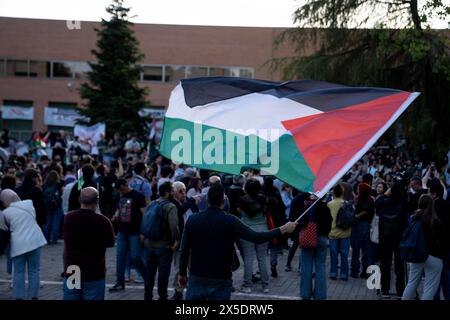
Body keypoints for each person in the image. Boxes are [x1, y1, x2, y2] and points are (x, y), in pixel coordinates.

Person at [178, 184, 297, 300]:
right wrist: (282, 229)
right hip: (221, 278)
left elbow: (184, 250)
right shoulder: (231, 220)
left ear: (207, 200)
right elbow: (257, 237)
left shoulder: (192, 220)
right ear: (223, 200)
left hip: (197, 278)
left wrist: (182, 273)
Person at [63, 187, 115, 300]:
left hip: (73, 270)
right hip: (94, 270)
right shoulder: (103, 221)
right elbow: (111, 243)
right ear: (97, 201)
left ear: (79, 199)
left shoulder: (69, 218)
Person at [0, 189, 47, 300]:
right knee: (34, 270)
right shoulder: (29, 205)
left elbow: (4, 229)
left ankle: (18, 296)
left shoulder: (5, 213)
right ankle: (33, 296)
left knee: (18, 272)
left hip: (18, 244)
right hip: (35, 241)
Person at [402, 194, 446, 300]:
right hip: (433, 256)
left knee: (411, 283)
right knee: (429, 288)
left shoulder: (413, 218)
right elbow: (440, 242)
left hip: (417, 254)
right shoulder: (435, 221)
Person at [143, 181, 180, 300]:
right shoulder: (170, 206)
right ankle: (162, 296)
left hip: (150, 244)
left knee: (150, 273)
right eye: (172, 190)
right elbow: (173, 225)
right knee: (163, 274)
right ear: (167, 193)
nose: (174, 192)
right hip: (164, 245)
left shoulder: (153, 203)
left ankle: (147, 295)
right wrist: (176, 240)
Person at [109, 178, 147, 292]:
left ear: (126, 185)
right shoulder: (120, 195)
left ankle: (147, 277)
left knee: (136, 256)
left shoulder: (138, 196)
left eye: (122, 189)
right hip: (122, 231)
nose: (121, 192)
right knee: (120, 257)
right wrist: (116, 215)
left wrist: (143, 232)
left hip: (135, 232)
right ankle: (119, 283)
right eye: (119, 191)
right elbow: (119, 208)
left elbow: (145, 215)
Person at [376, 182, 408, 298]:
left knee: (385, 263)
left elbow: (377, 205)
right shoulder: (404, 203)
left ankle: (385, 289)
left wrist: (385, 194)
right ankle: (400, 290)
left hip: (385, 236)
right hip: (399, 237)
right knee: (399, 264)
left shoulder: (384, 202)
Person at [298, 195, 332, 300]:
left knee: (306, 266)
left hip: (308, 238)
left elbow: (301, 223)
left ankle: (305, 294)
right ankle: (320, 295)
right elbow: (329, 225)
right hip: (322, 238)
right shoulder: (325, 208)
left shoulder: (308, 207)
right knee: (320, 266)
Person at [350, 182, 375, 278]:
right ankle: (365, 271)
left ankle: (354, 271)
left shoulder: (359, 200)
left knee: (356, 249)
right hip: (368, 225)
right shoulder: (371, 200)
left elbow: (365, 211)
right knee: (366, 249)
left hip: (359, 224)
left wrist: (357, 215)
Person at [328, 184, 352, 281]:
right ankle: (344, 274)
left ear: (334, 193)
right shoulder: (346, 203)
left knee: (333, 255)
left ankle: (333, 273)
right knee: (344, 255)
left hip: (332, 233)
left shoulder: (329, 204)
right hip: (345, 232)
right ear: (342, 193)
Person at [42, 170, 64, 244]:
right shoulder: (58, 184)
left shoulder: (44, 185)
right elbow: (61, 195)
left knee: (47, 223)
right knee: (56, 223)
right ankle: (54, 240)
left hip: (47, 206)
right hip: (57, 206)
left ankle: (46, 239)